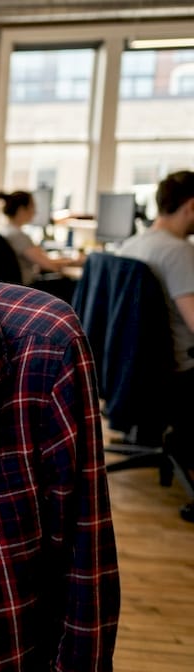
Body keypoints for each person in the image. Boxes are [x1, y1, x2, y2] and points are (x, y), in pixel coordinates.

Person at [116, 170, 194, 523]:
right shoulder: (179, 252)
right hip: (178, 373)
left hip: (131, 370)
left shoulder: (131, 244)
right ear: (190, 207)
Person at [0, 189, 81, 300]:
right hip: (26, 289)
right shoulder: (19, 236)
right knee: (72, 284)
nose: (35, 212)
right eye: (32, 207)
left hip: (11, 289)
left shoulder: (3, 231)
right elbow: (49, 265)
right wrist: (74, 261)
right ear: (21, 210)